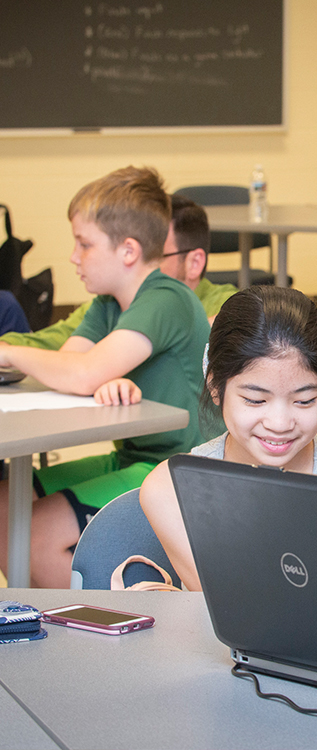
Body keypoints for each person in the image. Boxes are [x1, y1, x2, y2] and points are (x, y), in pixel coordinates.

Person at [0, 166, 210, 588]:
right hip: (136, 458)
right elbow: (69, 366)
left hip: (180, 472)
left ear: (128, 251)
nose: (74, 257)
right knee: (5, 505)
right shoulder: (107, 304)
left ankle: (95, 630)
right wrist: (87, 374)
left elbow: (80, 373)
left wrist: (7, 350)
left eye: (84, 244)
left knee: (36, 537)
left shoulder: (167, 298)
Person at [140, 285, 317, 591]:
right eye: (255, 400)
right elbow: (232, 609)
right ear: (215, 387)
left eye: (304, 401)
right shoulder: (169, 490)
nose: (279, 424)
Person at [0, 193, 237, 351]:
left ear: (194, 263)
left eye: (155, 256)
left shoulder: (224, 303)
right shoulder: (110, 303)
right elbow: (55, 339)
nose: (140, 265)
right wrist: (8, 345)